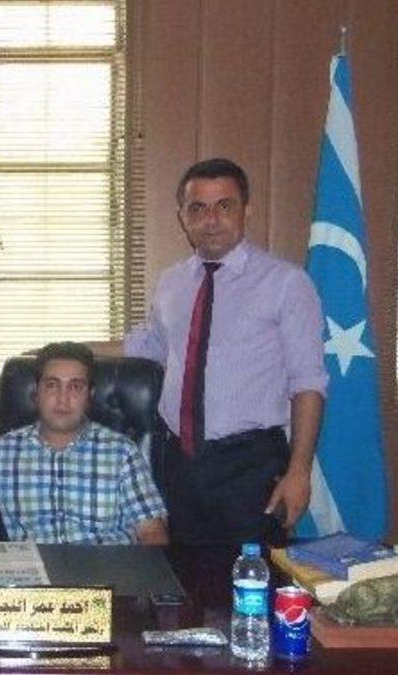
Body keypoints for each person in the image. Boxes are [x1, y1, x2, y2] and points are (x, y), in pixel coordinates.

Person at [118, 158, 328, 545]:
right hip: (177, 462)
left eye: (224, 206)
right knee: (181, 574)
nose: (211, 220)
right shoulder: (172, 282)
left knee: (251, 575)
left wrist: (299, 471)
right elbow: (149, 347)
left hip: (251, 466)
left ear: (246, 210)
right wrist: (66, 349)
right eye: (198, 208)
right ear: (182, 217)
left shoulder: (286, 283)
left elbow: (308, 381)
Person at [0, 342, 168, 545]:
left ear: (90, 395)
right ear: (36, 392)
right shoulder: (5, 452)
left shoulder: (122, 453)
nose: (63, 398)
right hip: (32, 574)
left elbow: (152, 531)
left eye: (75, 387)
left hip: (107, 573)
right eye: (52, 385)